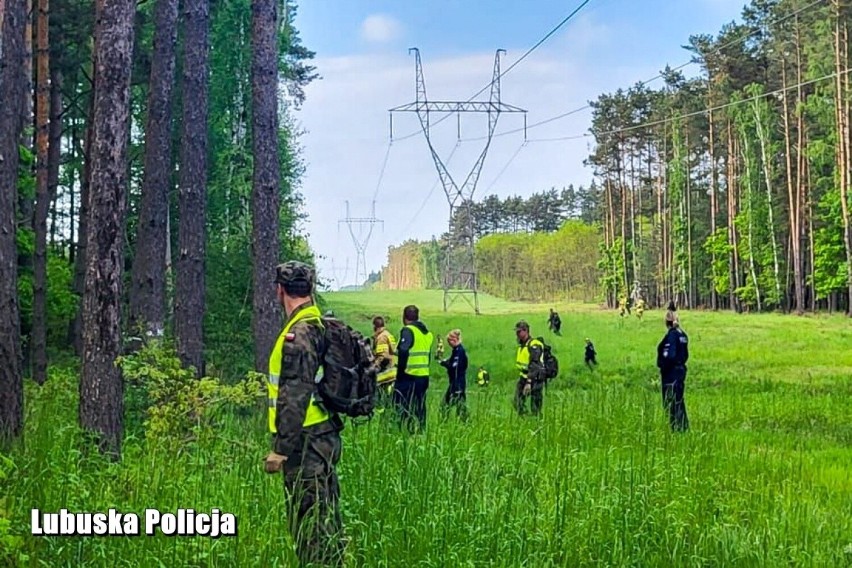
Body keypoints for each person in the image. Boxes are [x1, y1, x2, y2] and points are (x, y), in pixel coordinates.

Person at [263, 261, 344, 566]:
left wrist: (280, 450)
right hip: (324, 433)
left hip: (305, 443)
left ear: (279, 290)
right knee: (326, 515)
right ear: (311, 290)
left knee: (309, 522)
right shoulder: (320, 324)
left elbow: (294, 396)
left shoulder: (298, 335)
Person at [394, 304, 434, 432]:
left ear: (404, 317)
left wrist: (400, 372)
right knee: (420, 405)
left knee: (402, 405)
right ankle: (421, 431)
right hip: (424, 375)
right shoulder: (427, 334)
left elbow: (404, 350)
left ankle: (403, 431)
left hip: (409, 375)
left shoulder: (408, 330)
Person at [656, 306, 689, 432]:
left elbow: (669, 355)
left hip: (671, 373)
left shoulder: (672, 336)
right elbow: (686, 355)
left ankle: (675, 428)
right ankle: (683, 426)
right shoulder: (683, 335)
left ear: (666, 322)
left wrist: (663, 365)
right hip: (680, 371)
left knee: (671, 401)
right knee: (679, 399)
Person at [513, 320, 546, 416]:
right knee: (517, 402)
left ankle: (536, 424)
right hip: (523, 377)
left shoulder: (534, 345)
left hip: (535, 379)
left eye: (519, 332)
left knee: (535, 407)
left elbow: (534, 365)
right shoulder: (522, 345)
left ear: (526, 331)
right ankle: (525, 420)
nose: (517, 334)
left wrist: (529, 382)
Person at [439, 329, 468, 420]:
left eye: (449, 341)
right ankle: (463, 421)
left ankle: (447, 422)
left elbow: (454, 366)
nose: (449, 344)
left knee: (447, 405)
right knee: (458, 405)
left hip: (457, 383)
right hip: (455, 382)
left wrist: (445, 364)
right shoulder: (456, 350)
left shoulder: (459, 351)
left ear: (454, 340)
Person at [372, 316, 397, 393]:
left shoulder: (381, 337)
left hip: (387, 369)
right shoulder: (388, 334)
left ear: (375, 327)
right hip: (394, 367)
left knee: (373, 383)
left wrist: (373, 367)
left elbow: (382, 356)